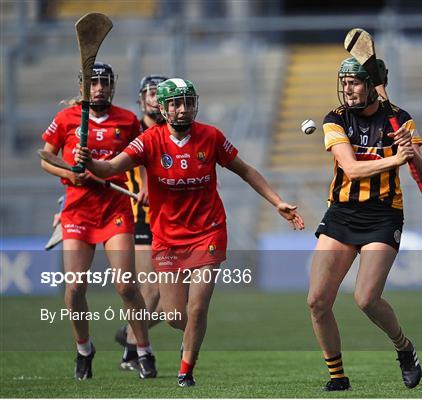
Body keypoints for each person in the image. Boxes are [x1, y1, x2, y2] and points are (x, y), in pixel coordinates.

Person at [75, 78, 305, 387]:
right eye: (175, 104)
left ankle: (186, 371)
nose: (183, 110)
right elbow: (110, 168)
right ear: (164, 108)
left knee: (197, 307)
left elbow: (246, 170)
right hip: (167, 239)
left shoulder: (210, 137)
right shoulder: (149, 140)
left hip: (208, 233)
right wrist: (90, 162)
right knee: (174, 316)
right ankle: (191, 336)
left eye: (188, 103)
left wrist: (277, 202)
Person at [307, 57, 422, 391]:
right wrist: (395, 158)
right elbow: (352, 168)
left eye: (355, 82)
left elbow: (421, 172)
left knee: (366, 299)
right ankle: (337, 376)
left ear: (374, 86)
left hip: (383, 215)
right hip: (342, 213)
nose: (347, 89)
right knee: (317, 301)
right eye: (344, 82)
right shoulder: (336, 119)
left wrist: (411, 153)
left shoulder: (401, 120)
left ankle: (404, 348)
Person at [40, 62, 157, 380]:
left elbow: (142, 155)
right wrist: (70, 175)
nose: (99, 88)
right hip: (78, 211)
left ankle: (143, 350)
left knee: (125, 284)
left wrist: (145, 185)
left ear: (112, 86)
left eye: (104, 82)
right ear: (83, 87)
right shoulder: (67, 119)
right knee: (75, 286)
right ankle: (84, 349)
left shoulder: (127, 120)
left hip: (116, 209)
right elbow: (46, 157)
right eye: (94, 82)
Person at [115, 75, 169, 371]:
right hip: (142, 217)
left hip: (172, 220)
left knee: (175, 299)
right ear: (141, 99)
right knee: (152, 290)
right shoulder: (131, 131)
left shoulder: (172, 131)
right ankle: (133, 351)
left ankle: (129, 337)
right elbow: (108, 166)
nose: (154, 98)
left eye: (160, 94)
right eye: (150, 93)